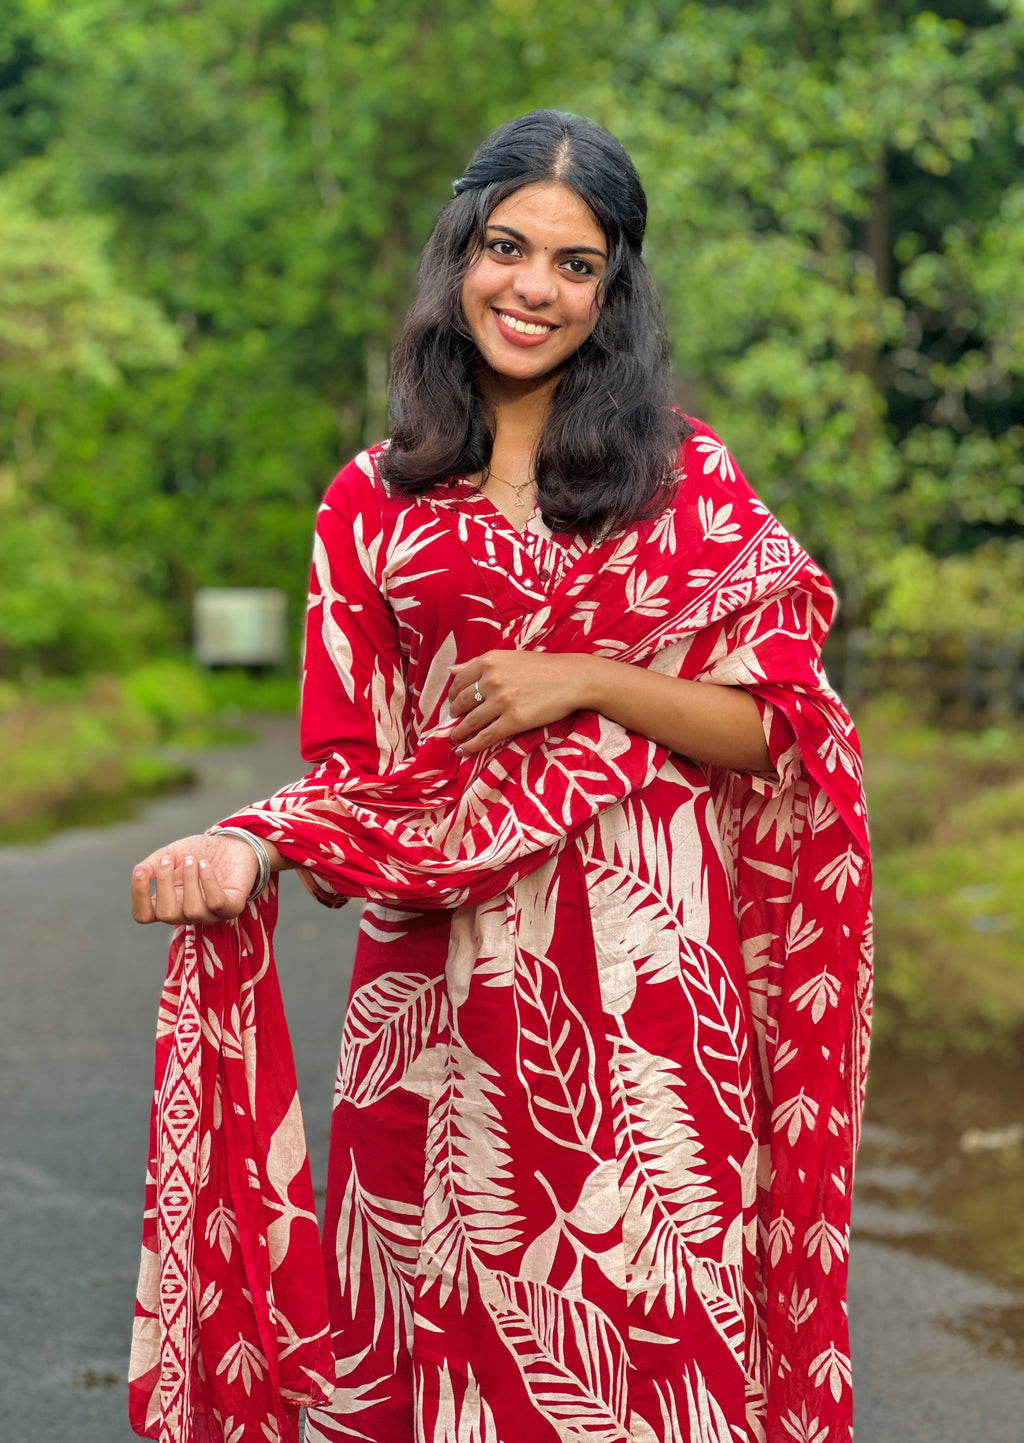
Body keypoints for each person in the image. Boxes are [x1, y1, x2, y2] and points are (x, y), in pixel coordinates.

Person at [129, 111, 871, 1443]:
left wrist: (585, 678)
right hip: (435, 1000)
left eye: (574, 265)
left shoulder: (683, 481)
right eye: (506, 248)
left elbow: (781, 729)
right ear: (459, 253)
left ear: (615, 290)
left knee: (640, 1336)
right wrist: (250, 850)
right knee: (430, 1327)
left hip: (648, 1006)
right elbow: (355, 768)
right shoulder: (371, 502)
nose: (531, 288)